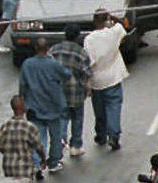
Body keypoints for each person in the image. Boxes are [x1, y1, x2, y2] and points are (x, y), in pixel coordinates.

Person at [19, 37, 71, 173]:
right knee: (56, 136)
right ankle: (53, 162)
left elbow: (22, 86)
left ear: (35, 48)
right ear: (48, 49)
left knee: (38, 137)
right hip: (53, 107)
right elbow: (67, 75)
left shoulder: (27, 64)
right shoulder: (53, 64)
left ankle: (37, 164)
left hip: (34, 107)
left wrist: (23, 101)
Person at [84, 9, 128, 150]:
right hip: (113, 77)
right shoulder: (113, 33)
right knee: (114, 107)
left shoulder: (89, 39)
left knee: (99, 110)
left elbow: (88, 61)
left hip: (97, 79)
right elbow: (124, 25)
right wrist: (114, 17)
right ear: (107, 20)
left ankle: (101, 134)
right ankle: (114, 135)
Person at [48, 24, 92, 158]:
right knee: (77, 118)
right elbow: (86, 73)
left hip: (58, 91)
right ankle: (76, 146)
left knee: (62, 117)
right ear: (77, 36)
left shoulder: (54, 50)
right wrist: (88, 88)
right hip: (76, 91)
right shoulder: (81, 52)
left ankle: (61, 139)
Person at [0, 95, 47, 180]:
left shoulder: (5, 126)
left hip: (9, 168)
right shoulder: (29, 127)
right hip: (25, 168)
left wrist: (8, 152)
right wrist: (43, 159)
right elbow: (38, 147)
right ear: (24, 108)